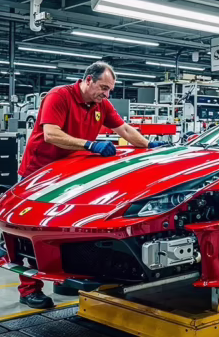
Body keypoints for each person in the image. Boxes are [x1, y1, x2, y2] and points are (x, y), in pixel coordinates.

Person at [15, 61, 167, 309]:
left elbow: (125, 129)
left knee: (67, 229)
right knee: (32, 232)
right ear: (88, 80)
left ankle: (62, 277)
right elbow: (51, 134)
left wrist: (149, 146)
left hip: (71, 175)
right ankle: (29, 289)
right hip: (40, 174)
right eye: (103, 87)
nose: (106, 95)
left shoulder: (100, 104)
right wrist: (89, 145)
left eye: (109, 90)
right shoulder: (59, 96)